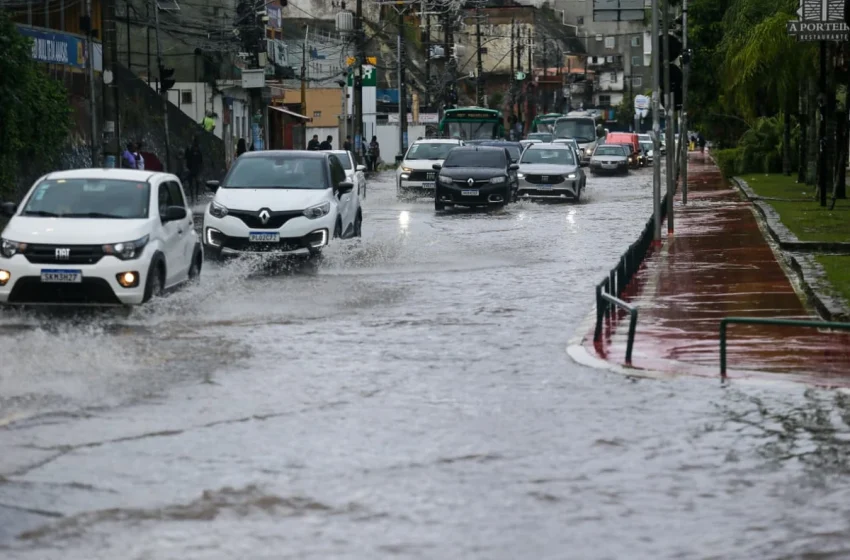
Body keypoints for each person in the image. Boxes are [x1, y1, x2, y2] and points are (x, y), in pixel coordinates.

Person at [184, 137, 203, 204]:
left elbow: (201, 161)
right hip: (191, 169)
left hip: (195, 170)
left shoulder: (198, 150)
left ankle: (195, 196)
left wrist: (200, 170)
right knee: (192, 184)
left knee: (195, 184)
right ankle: (193, 197)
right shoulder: (191, 149)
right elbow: (186, 157)